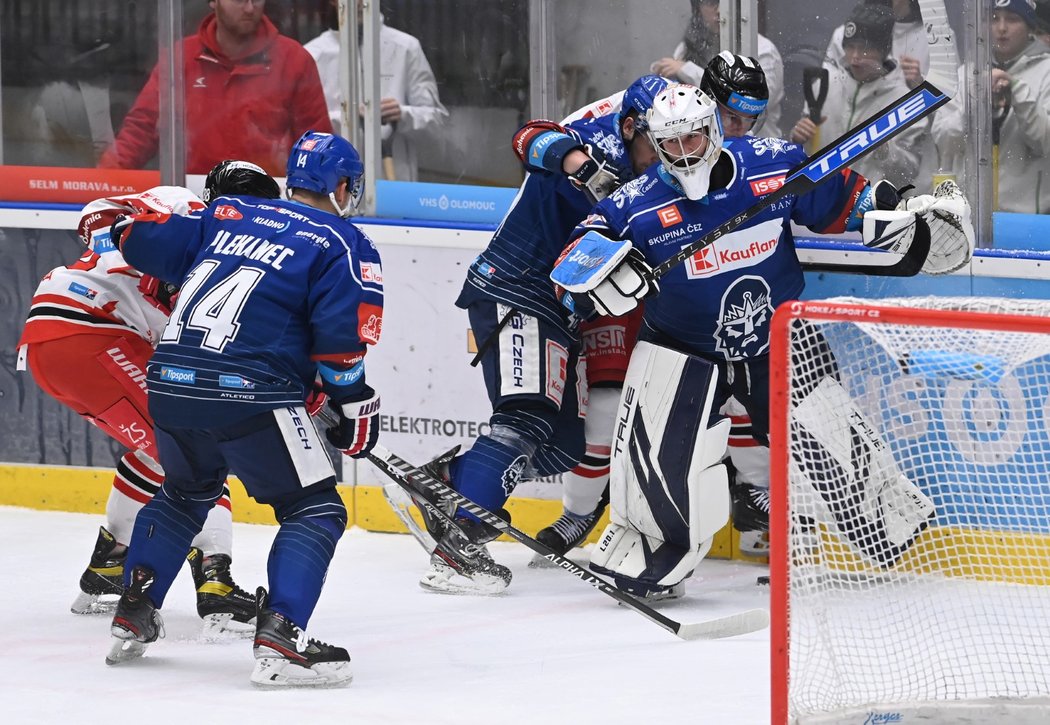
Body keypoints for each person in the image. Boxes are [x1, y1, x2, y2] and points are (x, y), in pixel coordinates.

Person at [548, 82, 972, 597]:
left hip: (777, 335)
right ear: (656, 145)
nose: (685, 153)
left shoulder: (773, 166)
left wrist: (905, 219)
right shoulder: (634, 206)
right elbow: (579, 252)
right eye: (672, 143)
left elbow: (845, 199)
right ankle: (655, 554)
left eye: (694, 139)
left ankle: (884, 524)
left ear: (713, 132)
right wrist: (597, 271)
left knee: (834, 440)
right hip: (683, 348)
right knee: (658, 464)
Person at [99, 131, 383, 689]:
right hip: (251, 392)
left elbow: (132, 237)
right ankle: (281, 640)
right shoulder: (344, 242)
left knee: (184, 493)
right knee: (314, 509)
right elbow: (340, 347)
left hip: (171, 384)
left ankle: (133, 611)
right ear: (345, 186)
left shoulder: (227, 212)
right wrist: (355, 402)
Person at [400, 75, 668, 596]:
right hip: (515, 290)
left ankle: (450, 482)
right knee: (524, 418)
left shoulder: (654, 177)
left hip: (557, 310)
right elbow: (531, 137)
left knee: (566, 440)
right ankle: (460, 541)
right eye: (655, 144)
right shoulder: (603, 143)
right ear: (633, 127)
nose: (663, 157)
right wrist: (579, 164)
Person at [17, 161, 281, 632]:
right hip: (94, 332)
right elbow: (100, 216)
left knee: (160, 452)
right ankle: (216, 585)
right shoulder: (198, 217)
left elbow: (97, 215)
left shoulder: (192, 218)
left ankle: (108, 568)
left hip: (53, 336)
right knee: (198, 454)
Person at [534, 54, 776, 562]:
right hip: (628, 292)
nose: (735, 131)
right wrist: (591, 265)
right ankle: (586, 512)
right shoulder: (624, 139)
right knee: (610, 410)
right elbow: (532, 139)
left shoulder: (748, 158)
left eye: (743, 121)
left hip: (698, 305)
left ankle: (751, 501)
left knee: (737, 394)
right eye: (666, 140)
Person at [98, 0, 331, 175]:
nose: (250, 8)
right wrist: (100, 188)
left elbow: (316, 146)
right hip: (193, 209)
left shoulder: (294, 60)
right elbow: (140, 132)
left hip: (267, 214)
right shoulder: (181, 59)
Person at [304, 0, 448, 182]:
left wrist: (403, 115)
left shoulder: (406, 48)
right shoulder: (312, 55)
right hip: (335, 188)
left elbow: (436, 125)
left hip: (396, 185)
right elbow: (304, 133)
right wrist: (346, 118)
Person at [790, 2, 925, 188]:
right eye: (850, 46)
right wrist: (796, 139)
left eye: (864, 48)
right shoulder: (824, 84)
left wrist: (885, 151)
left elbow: (908, 173)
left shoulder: (904, 100)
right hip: (820, 204)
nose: (855, 57)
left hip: (870, 208)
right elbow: (802, 157)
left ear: (884, 50)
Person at [932, 0, 1050, 214]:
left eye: (1013, 19)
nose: (1002, 28)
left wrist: (1018, 92)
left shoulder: (1046, 72)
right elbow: (945, 144)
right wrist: (975, 101)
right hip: (969, 216)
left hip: (1027, 219)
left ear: (1030, 26)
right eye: (994, 18)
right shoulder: (965, 73)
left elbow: (1045, 143)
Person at [650, 0, 785, 137]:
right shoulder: (687, 48)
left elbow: (751, 106)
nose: (721, 10)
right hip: (707, 148)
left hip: (757, 148)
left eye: (728, 2)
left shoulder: (763, 50)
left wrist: (688, 71)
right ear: (697, 9)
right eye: (712, 2)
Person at [825, 0, 928, 90]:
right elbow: (826, 89)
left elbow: (942, 107)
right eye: (852, 47)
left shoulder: (932, 41)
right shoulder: (847, 34)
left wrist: (919, 86)